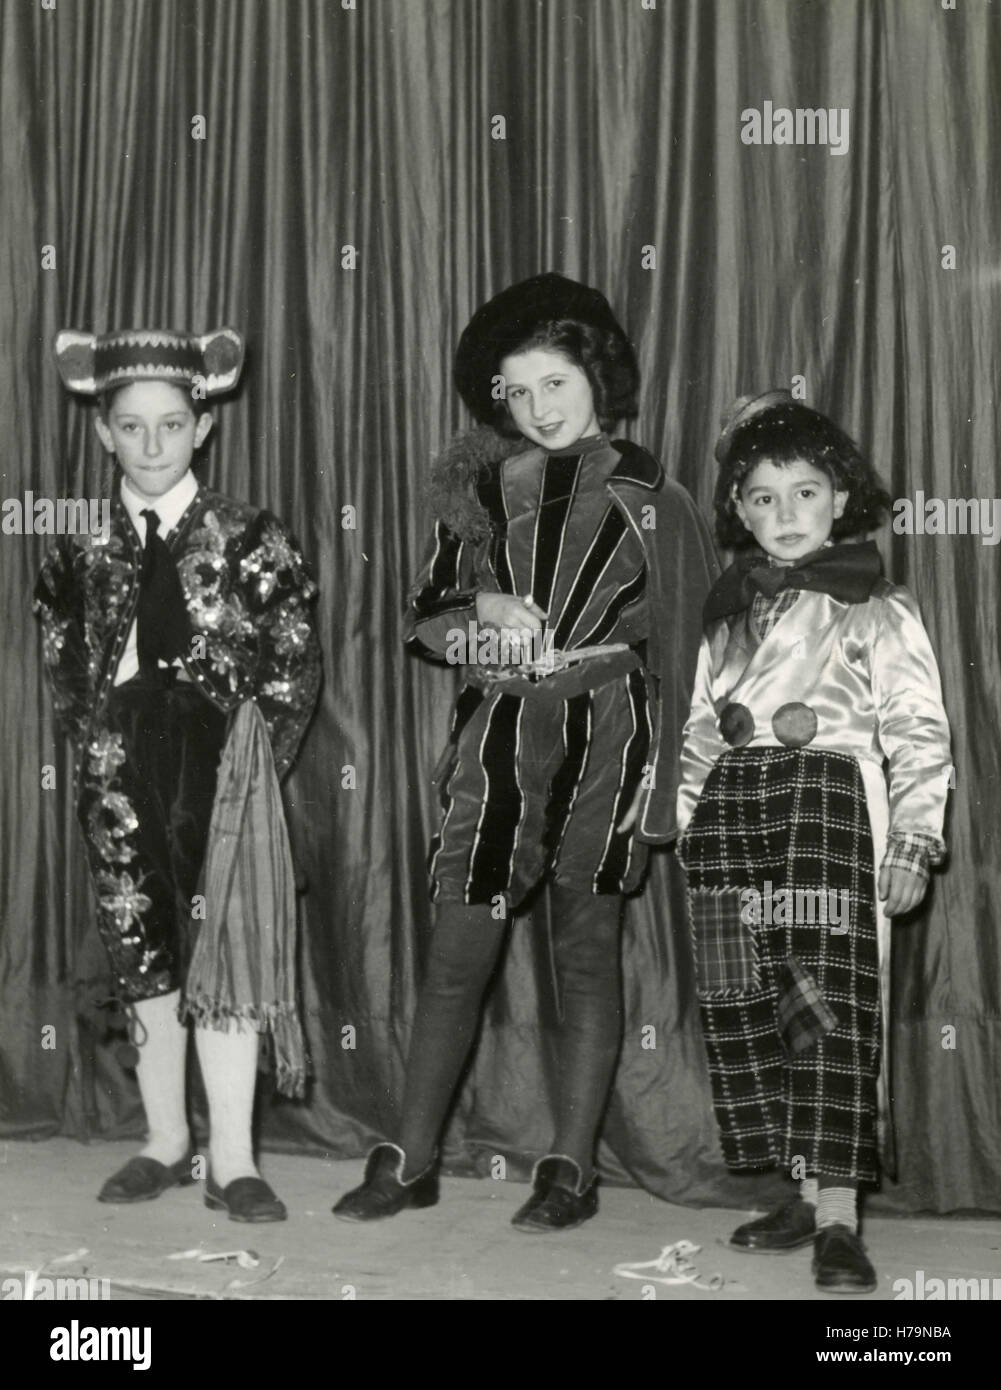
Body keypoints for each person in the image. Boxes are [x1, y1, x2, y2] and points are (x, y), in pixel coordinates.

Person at [333, 272, 717, 1231]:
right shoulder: (475, 494)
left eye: (554, 383)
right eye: (515, 391)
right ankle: (410, 1158)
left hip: (610, 737)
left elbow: (685, 652)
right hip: (499, 740)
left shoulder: (651, 494)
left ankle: (570, 1170)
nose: (537, 408)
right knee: (455, 960)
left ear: (595, 376)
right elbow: (421, 627)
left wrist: (665, 790)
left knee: (587, 958)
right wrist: (481, 610)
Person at [35, 328, 321, 1222]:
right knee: (143, 951)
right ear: (103, 434)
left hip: (225, 772)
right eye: (131, 427)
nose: (151, 445)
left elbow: (293, 659)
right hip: (120, 770)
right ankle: (164, 1140)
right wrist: (94, 740)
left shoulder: (250, 533)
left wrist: (255, 770)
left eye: (170, 424)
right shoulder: (78, 541)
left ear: (202, 426)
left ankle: (233, 1159)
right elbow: (60, 647)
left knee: (225, 954)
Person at [676, 389, 951, 1292]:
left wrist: (910, 842)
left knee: (827, 1005)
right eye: (761, 497)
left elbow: (918, 732)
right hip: (734, 813)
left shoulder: (875, 606)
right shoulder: (726, 616)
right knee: (751, 1002)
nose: (782, 514)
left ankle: (839, 1216)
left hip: (829, 807)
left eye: (802, 493)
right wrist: (677, 819)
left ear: (838, 498)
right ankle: (798, 1189)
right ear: (738, 510)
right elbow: (699, 733)